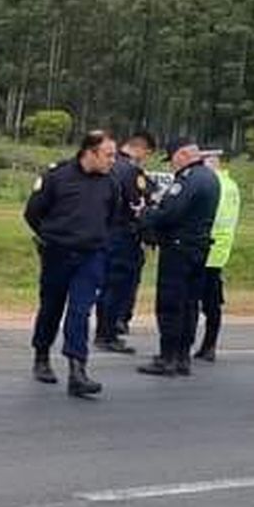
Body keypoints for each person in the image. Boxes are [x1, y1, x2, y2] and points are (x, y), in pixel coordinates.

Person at [24, 129, 118, 398]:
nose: (113, 160)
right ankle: (41, 356)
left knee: (80, 310)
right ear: (90, 152)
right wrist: (51, 237)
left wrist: (99, 241)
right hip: (58, 253)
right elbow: (33, 213)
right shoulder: (57, 178)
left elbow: (112, 217)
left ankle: (78, 370)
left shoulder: (111, 183)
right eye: (108, 154)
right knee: (51, 307)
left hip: (91, 256)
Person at [136, 135, 221, 377]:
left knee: (171, 304)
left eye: (172, 160)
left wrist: (145, 215)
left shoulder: (188, 180)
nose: (172, 165)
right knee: (190, 304)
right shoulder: (211, 178)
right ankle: (183, 356)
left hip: (179, 248)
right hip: (199, 248)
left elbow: (170, 212)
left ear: (183, 155)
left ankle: (167, 357)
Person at [93, 129, 154, 353]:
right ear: (140, 148)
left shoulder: (108, 166)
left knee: (108, 285)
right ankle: (107, 334)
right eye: (146, 153)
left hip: (105, 233)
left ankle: (104, 330)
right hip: (124, 236)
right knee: (117, 286)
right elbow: (141, 204)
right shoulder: (130, 171)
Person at [195, 152, 241, 361]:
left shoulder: (214, 185)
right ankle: (209, 345)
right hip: (220, 250)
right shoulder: (230, 184)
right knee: (212, 303)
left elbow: (206, 216)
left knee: (201, 302)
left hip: (207, 248)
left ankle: (207, 345)